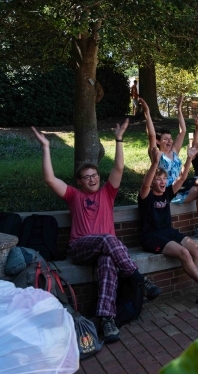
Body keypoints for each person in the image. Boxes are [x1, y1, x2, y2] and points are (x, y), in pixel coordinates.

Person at [31, 121, 161, 343]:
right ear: (79, 182)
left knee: (108, 263)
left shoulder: (107, 193)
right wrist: (45, 147)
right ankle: (140, 279)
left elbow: (118, 167)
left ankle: (107, 320)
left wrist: (119, 139)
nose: (92, 179)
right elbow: (49, 179)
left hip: (104, 249)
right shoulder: (74, 195)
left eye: (95, 175)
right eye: (87, 177)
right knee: (107, 239)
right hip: (80, 248)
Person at [139, 145, 198, 308]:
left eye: (163, 179)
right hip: (151, 236)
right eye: (157, 179)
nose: (162, 182)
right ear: (152, 181)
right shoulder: (146, 195)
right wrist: (155, 163)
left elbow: (181, 178)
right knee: (184, 253)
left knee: (197, 249)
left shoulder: (167, 193)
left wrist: (189, 158)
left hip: (167, 231)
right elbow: (146, 185)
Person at [141, 97, 198, 238]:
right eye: (165, 139)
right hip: (167, 192)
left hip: (180, 186)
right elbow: (152, 134)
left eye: (170, 138)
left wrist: (179, 110)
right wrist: (147, 113)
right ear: (158, 141)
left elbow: (183, 131)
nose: (169, 141)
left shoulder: (174, 151)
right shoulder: (156, 154)